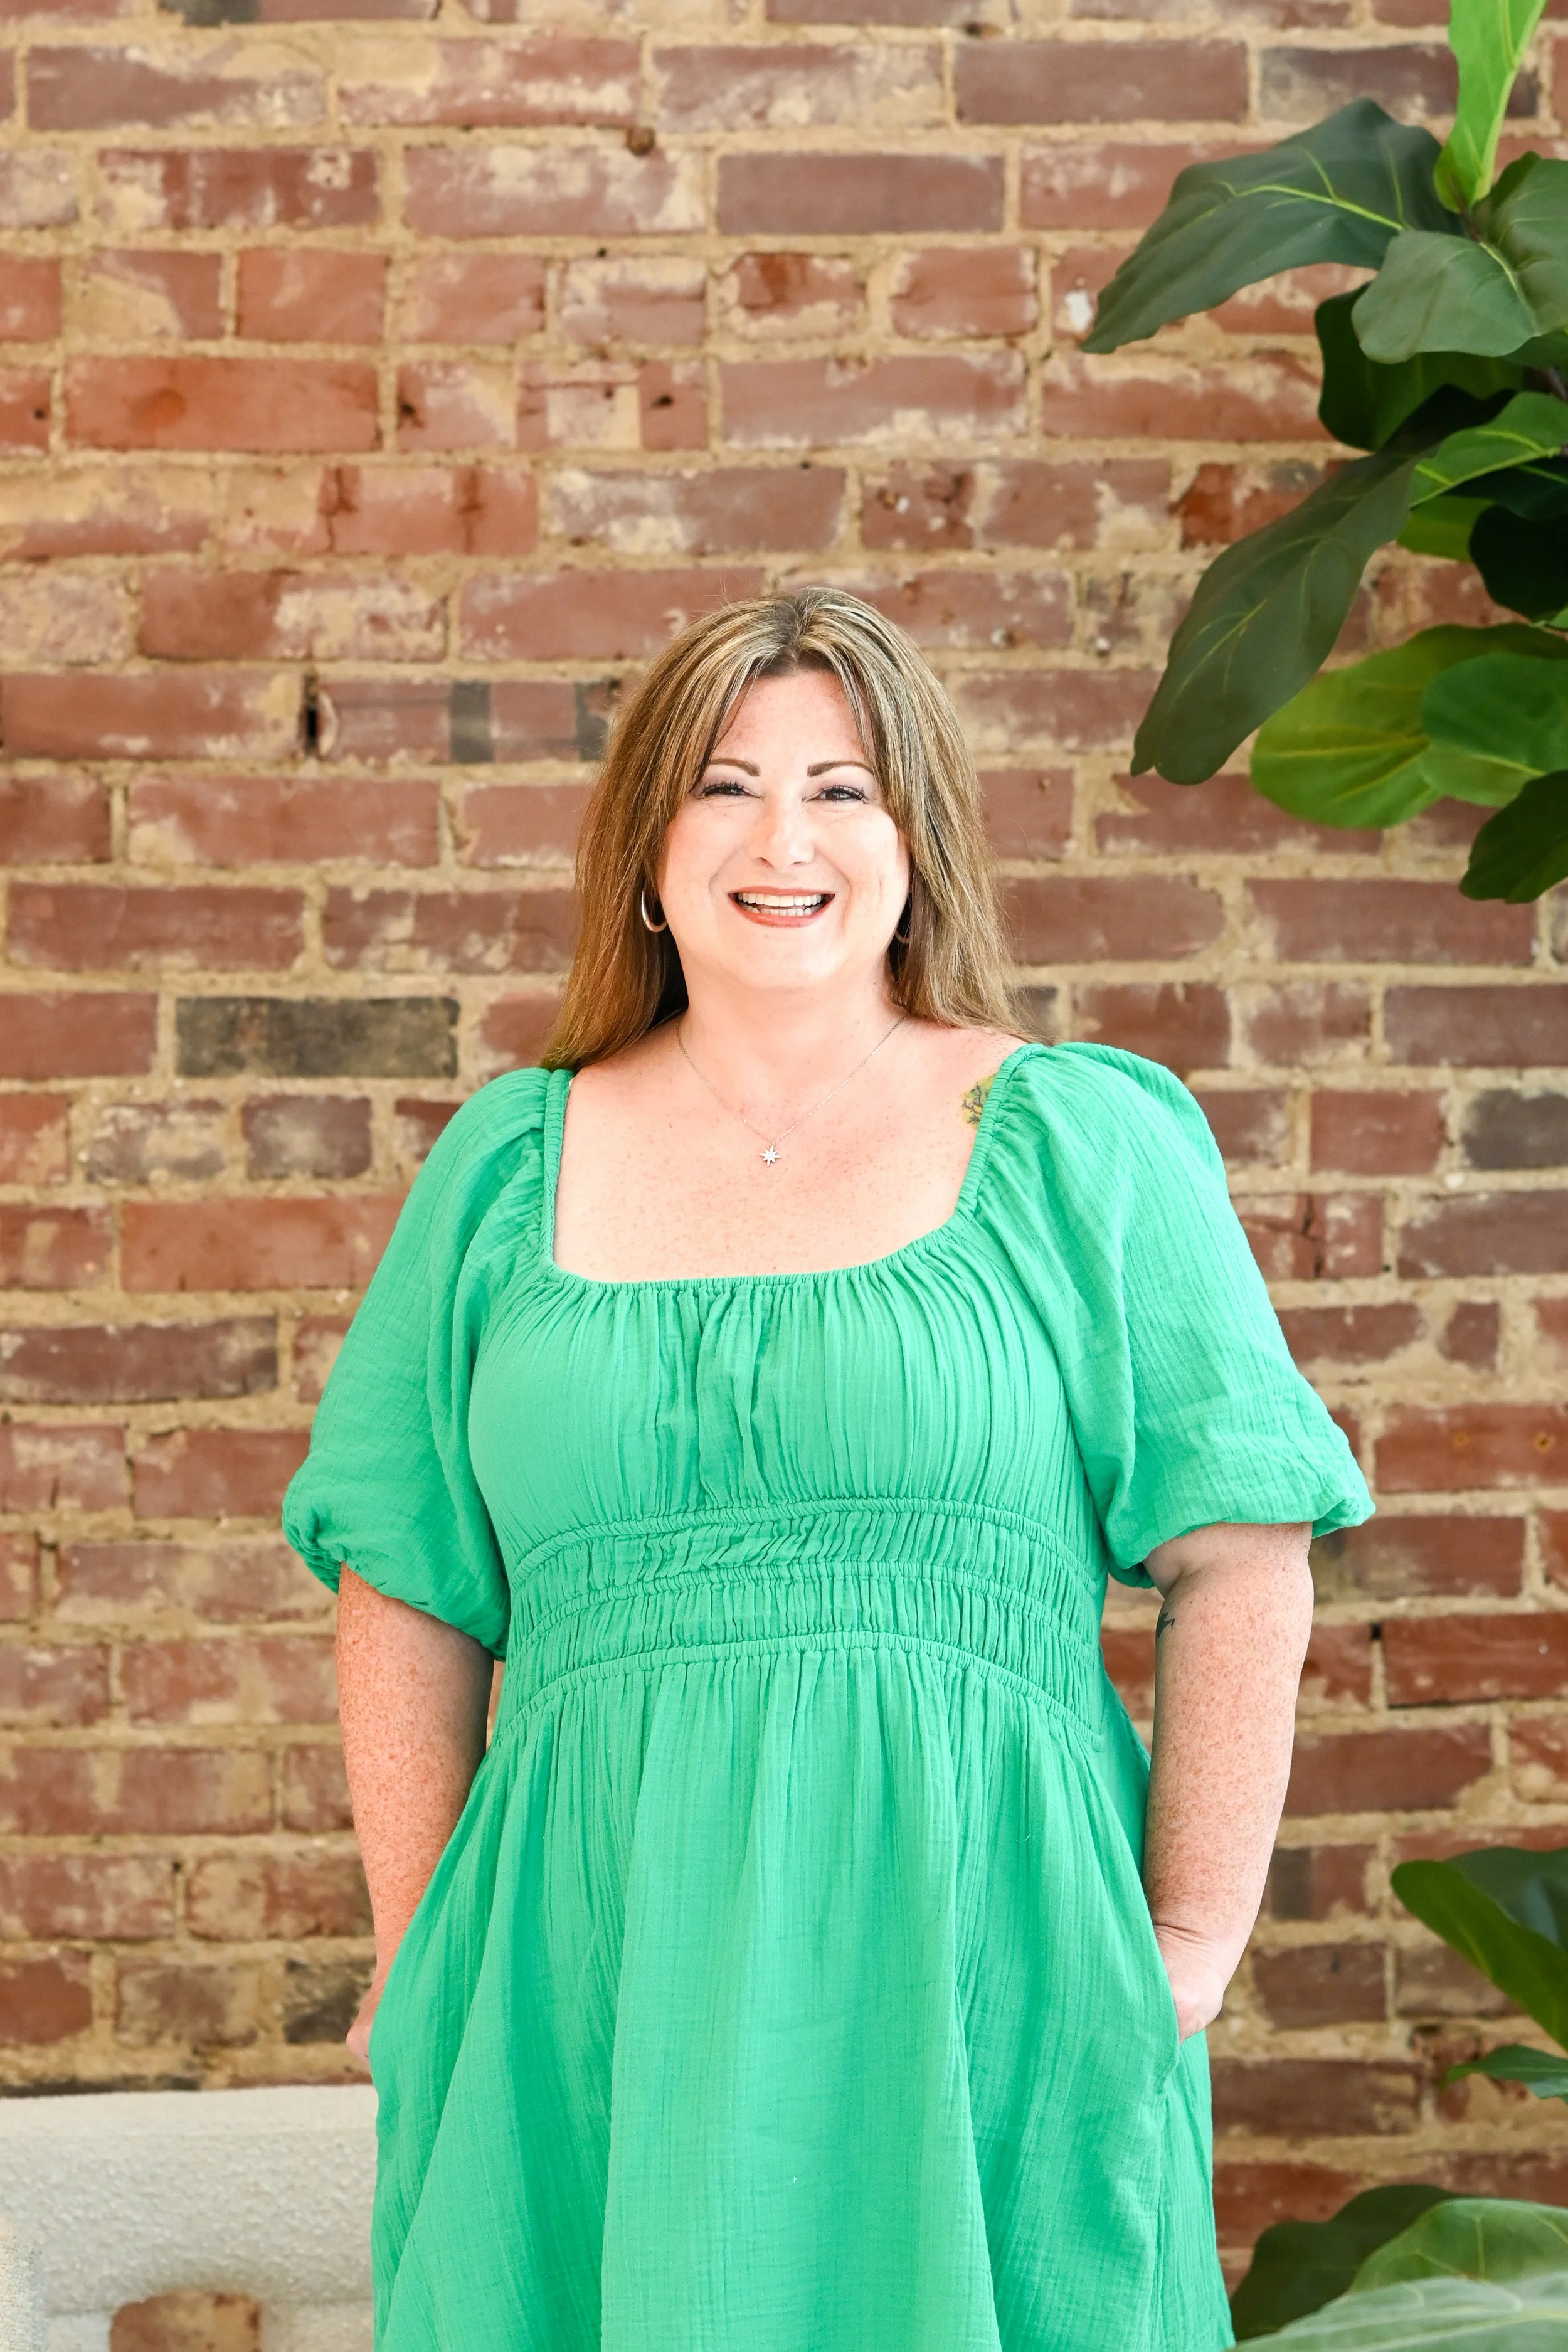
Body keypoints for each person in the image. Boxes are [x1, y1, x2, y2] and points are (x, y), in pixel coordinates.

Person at [283, 586, 1372, 2352]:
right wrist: (423, 1961)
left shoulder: (1079, 1139)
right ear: (645, 847)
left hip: (981, 1960)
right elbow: (401, 1580)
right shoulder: (501, 1164)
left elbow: (1241, 1549)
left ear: (916, 842)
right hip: (583, 1976)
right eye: (723, 784)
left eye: (842, 788)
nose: (780, 837)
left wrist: (1182, 1935)